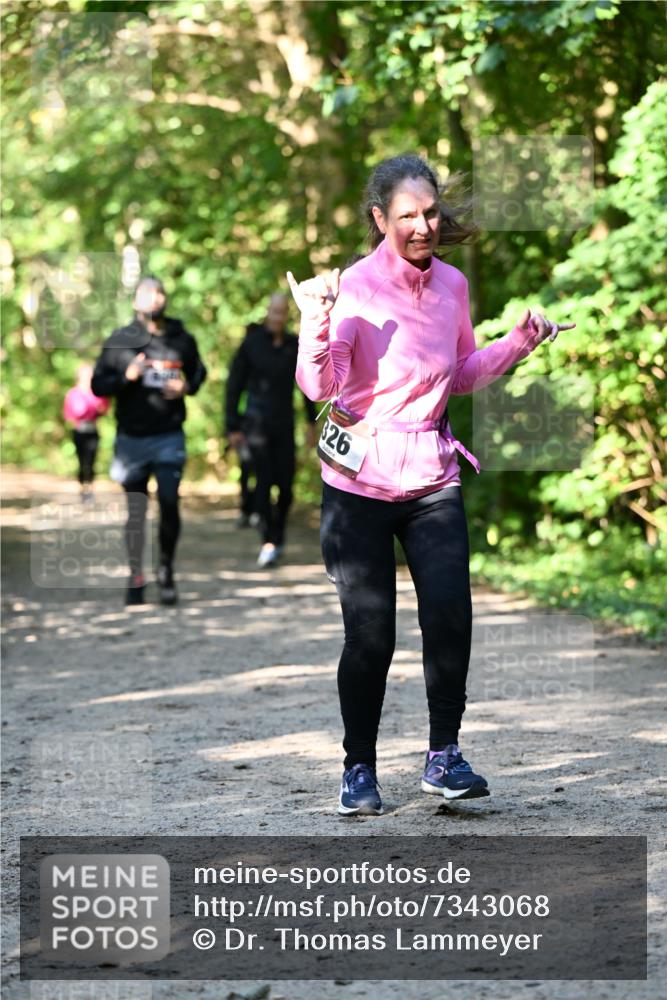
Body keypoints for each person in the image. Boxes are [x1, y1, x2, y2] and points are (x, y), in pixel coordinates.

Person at [287, 154, 575, 816]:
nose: (422, 226)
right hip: (358, 485)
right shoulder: (351, 286)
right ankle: (358, 768)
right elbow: (320, 386)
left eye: (430, 213)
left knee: (450, 616)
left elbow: (462, 372)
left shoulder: (452, 285)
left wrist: (520, 341)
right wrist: (316, 318)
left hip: (431, 477)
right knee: (371, 636)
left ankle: (443, 756)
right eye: (407, 215)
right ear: (379, 218)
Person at [91, 276, 207, 606]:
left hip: (169, 435)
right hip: (132, 441)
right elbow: (99, 385)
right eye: (147, 294)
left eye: (159, 293)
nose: (154, 299)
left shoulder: (181, 338)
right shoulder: (119, 341)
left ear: (165, 299)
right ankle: (135, 575)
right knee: (136, 512)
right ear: (135, 303)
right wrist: (125, 378)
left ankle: (166, 571)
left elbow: (199, 373)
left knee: (170, 502)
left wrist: (187, 387)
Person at [225, 292, 318, 567]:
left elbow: (307, 387)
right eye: (273, 312)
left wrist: (311, 424)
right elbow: (234, 386)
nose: (277, 317)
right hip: (256, 425)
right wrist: (232, 425)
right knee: (264, 483)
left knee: (287, 487)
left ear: (287, 315)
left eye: (282, 312)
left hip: (284, 424)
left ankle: (279, 533)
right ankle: (268, 539)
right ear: (267, 313)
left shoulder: (294, 345)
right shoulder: (251, 345)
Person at [62, 363, 109, 502]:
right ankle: (83, 487)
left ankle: (90, 489)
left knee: (91, 461)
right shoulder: (73, 393)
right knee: (82, 462)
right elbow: (70, 414)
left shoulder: (97, 393)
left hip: (93, 430)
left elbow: (104, 408)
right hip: (79, 431)